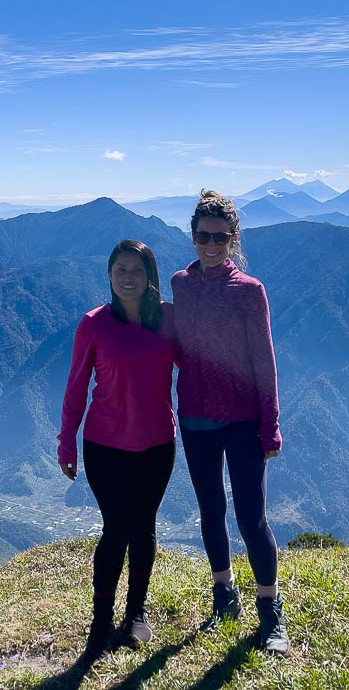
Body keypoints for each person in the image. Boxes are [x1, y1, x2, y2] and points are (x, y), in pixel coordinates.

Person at [172, 190, 290, 655]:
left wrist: (271, 424)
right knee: (210, 510)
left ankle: (269, 608)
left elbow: (265, 360)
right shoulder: (181, 284)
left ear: (234, 238)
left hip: (242, 419)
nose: (211, 244)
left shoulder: (250, 291)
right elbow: (176, 345)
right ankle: (224, 595)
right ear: (193, 236)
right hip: (195, 417)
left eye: (220, 237)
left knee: (251, 515)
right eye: (203, 236)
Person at [57, 239, 177, 660]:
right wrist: (65, 442)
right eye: (121, 270)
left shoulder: (166, 319)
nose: (129, 278)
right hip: (105, 446)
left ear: (150, 277)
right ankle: (101, 619)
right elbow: (75, 387)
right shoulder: (93, 324)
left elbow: (197, 368)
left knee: (143, 526)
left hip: (158, 444)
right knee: (116, 529)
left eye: (137, 270)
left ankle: (136, 613)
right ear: (109, 275)